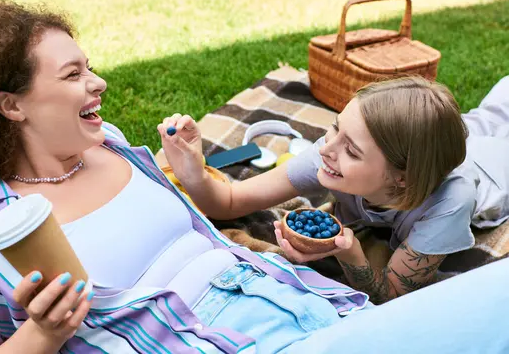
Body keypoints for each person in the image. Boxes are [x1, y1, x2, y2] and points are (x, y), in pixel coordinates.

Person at [0, 0, 507, 354]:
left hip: (302, 306)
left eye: (90, 68)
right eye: (73, 76)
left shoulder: (114, 146)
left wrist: (194, 175)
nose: (99, 85)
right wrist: (41, 334)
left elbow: (214, 213)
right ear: (11, 105)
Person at [160, 74, 509, 305]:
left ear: (401, 177)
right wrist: (192, 170)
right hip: (465, 134)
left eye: (352, 151)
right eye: (334, 128)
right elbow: (231, 202)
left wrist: (350, 252)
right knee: (494, 108)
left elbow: (391, 294)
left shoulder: (449, 201)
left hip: (496, 166)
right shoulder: (329, 155)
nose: (326, 148)